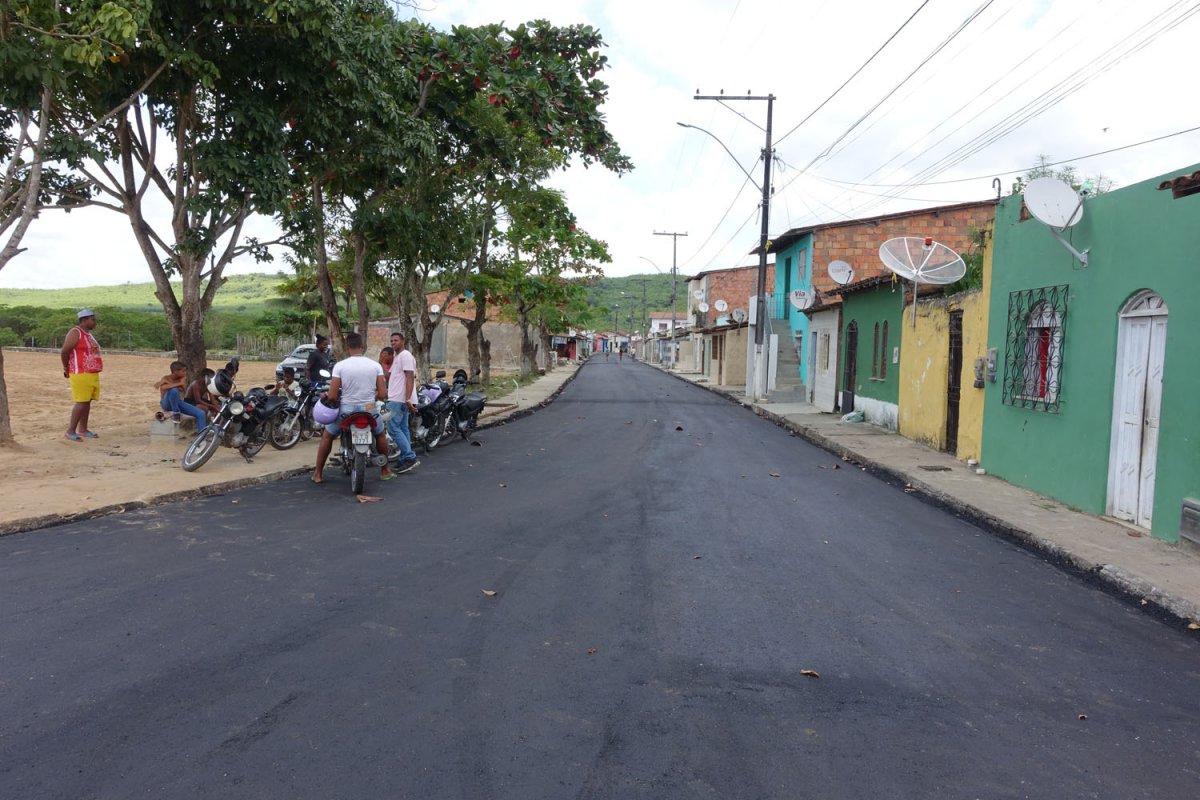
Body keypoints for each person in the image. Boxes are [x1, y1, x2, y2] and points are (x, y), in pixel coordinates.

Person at [312, 332, 393, 484]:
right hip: (369, 409)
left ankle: (318, 473)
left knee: (327, 436)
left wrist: (336, 398)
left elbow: (332, 395)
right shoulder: (375, 366)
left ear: (347, 347)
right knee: (380, 435)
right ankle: (385, 470)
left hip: (347, 410)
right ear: (362, 347)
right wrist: (371, 399)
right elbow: (382, 393)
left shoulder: (340, 366)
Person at [60, 308, 103, 441]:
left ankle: (83, 429)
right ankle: (70, 431)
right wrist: (66, 367)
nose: (95, 322)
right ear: (84, 320)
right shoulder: (75, 333)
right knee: (81, 401)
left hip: (91, 372)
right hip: (80, 372)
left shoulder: (88, 334)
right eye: (92, 319)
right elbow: (65, 351)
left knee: (87, 401)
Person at [386, 331, 420, 474]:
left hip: (399, 399)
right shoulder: (397, 357)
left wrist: (407, 399)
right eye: (392, 341)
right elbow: (391, 377)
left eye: (396, 340)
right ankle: (404, 459)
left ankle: (410, 457)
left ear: (403, 341)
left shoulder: (405, 356)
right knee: (403, 429)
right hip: (396, 399)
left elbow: (410, 377)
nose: (393, 343)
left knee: (393, 428)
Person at [155, 361, 207, 432]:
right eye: (183, 371)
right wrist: (179, 383)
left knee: (201, 413)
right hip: (166, 403)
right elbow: (164, 388)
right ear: (175, 371)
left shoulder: (182, 378)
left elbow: (183, 390)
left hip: (177, 403)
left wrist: (178, 383)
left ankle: (201, 438)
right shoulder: (166, 378)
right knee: (173, 390)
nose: (185, 373)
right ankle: (176, 414)